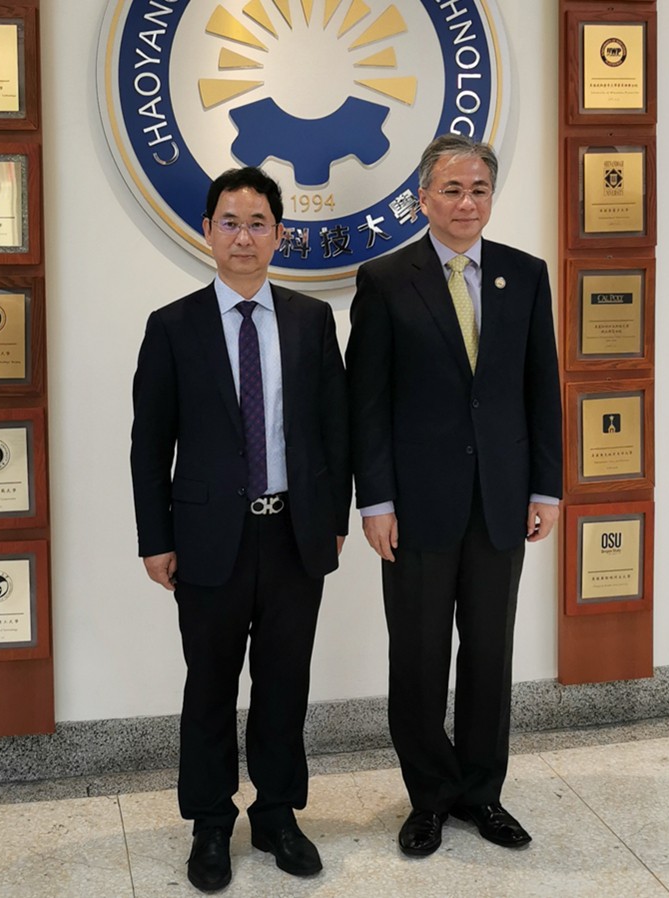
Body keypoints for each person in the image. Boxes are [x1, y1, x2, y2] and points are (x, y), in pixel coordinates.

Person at [130, 167, 350, 892]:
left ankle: (278, 814)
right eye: (230, 222)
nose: (244, 237)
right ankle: (210, 822)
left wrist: (335, 519)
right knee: (210, 685)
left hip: (294, 532)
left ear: (279, 235)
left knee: (284, 681)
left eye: (258, 223)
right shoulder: (173, 326)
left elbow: (334, 428)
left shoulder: (311, 321)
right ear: (207, 231)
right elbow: (149, 444)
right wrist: (155, 538)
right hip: (206, 538)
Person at [345, 134, 562, 856]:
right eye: (451, 189)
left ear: (490, 197)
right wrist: (375, 501)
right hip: (415, 507)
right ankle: (429, 797)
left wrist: (546, 486)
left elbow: (540, 388)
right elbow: (366, 403)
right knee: (418, 656)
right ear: (423, 198)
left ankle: (481, 793)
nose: (466, 202)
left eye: (478, 189)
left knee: (489, 654)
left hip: (501, 498)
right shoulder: (384, 279)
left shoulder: (524, 275)